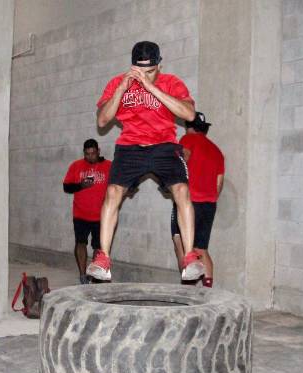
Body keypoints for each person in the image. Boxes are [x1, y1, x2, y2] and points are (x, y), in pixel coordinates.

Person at [86, 41, 204, 282]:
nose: (144, 75)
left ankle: (190, 257)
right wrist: (121, 88)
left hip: (164, 145)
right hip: (130, 147)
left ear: (159, 65)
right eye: (140, 70)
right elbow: (102, 121)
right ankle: (103, 259)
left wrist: (151, 87)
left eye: (150, 71)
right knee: (112, 192)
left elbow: (189, 114)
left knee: (181, 190)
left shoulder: (172, 82)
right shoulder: (118, 82)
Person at [171, 112, 224, 287]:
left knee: (182, 245)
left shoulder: (187, 140)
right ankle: (208, 292)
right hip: (209, 204)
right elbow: (219, 182)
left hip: (189, 202)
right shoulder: (217, 150)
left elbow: (182, 157)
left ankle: (187, 292)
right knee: (201, 249)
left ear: (189, 127)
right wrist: (209, 198)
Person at [63, 139, 111, 284]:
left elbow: (116, 185)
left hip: (100, 215)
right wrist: (81, 186)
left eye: (93, 153)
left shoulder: (108, 166)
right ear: (84, 153)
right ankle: (83, 276)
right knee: (80, 243)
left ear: (98, 151)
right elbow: (66, 187)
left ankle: (96, 275)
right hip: (80, 214)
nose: (90, 156)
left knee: (99, 247)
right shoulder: (76, 165)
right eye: (87, 154)